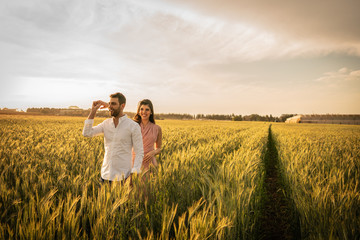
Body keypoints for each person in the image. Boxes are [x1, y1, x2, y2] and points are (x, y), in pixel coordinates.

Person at [82, 92, 144, 184]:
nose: (110, 106)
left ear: (122, 106)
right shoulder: (106, 123)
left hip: (123, 177)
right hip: (105, 175)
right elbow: (87, 133)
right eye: (109, 103)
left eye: (113, 104)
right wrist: (93, 111)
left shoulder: (133, 126)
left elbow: (139, 152)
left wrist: (134, 174)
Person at [132, 99, 162, 175]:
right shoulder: (133, 126)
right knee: (133, 186)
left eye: (147, 110)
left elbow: (159, 148)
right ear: (138, 111)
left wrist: (153, 152)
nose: (144, 112)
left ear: (151, 112)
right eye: (141, 109)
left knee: (149, 186)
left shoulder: (157, 128)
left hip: (149, 163)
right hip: (134, 162)